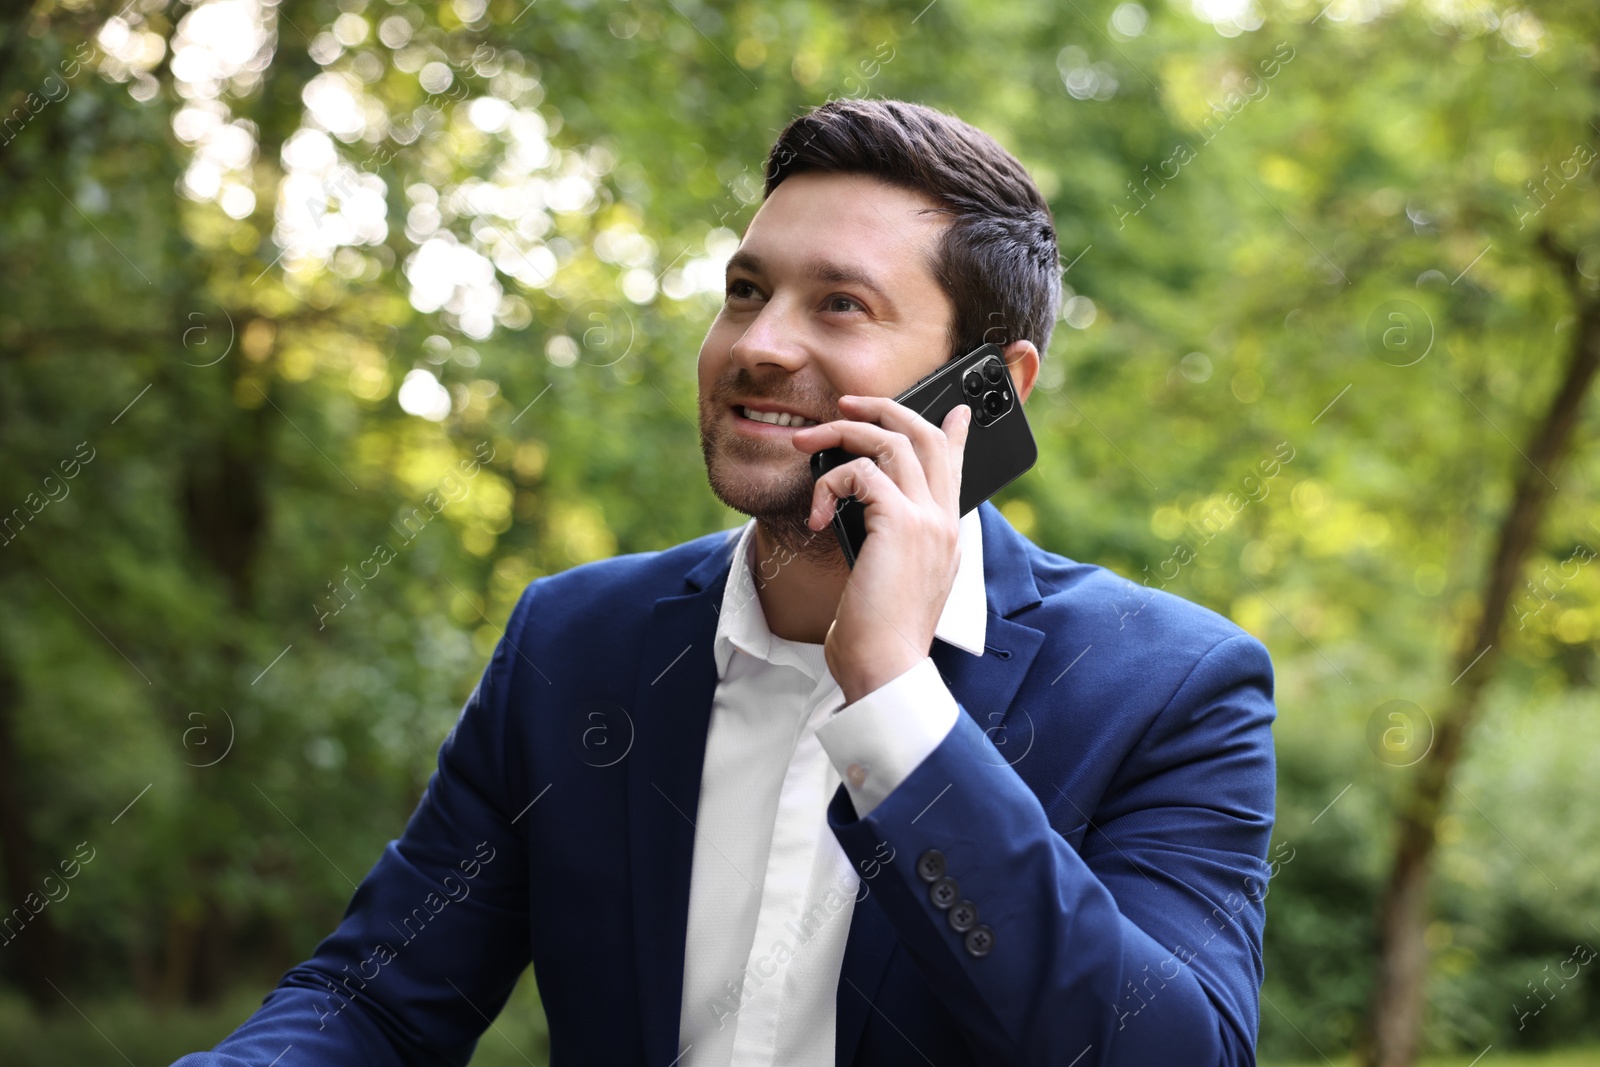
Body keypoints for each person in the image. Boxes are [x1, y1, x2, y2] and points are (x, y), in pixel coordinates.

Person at [172, 98, 1277, 1067]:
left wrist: (892, 700)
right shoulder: (575, 643)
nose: (757, 342)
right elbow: (377, 1007)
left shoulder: (1172, 688)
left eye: (839, 303)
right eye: (745, 290)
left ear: (989, 389)